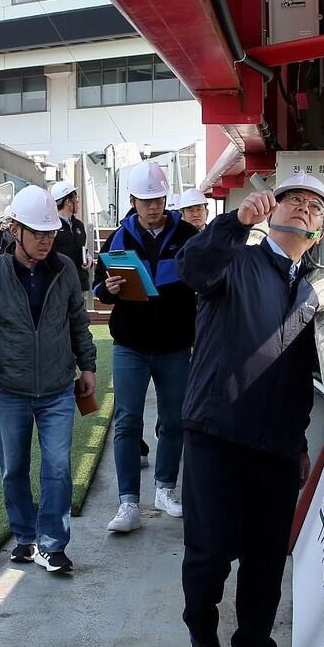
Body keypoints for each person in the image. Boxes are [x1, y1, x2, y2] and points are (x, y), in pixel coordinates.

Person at [174, 173, 324, 647]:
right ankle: (201, 630)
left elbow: (300, 372)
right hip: (216, 433)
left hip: (278, 447)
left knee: (266, 560)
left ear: (322, 230)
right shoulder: (236, 258)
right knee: (210, 552)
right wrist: (234, 222)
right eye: (296, 199)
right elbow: (191, 268)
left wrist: (301, 442)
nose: (306, 209)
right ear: (273, 209)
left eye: (317, 207)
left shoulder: (312, 293)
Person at [0, 185, 97, 574]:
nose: (45, 240)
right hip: (10, 390)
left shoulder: (66, 270)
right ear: (15, 230)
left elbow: (78, 322)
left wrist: (87, 366)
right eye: (37, 232)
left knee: (57, 467)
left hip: (57, 388)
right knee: (14, 468)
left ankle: (53, 544)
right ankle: (25, 536)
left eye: (51, 233)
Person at [93, 161, 198, 531]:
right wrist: (108, 290)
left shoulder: (187, 235)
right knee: (127, 421)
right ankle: (127, 503)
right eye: (146, 200)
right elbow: (98, 288)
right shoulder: (118, 239)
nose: (154, 207)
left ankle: (165, 488)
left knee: (173, 419)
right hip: (130, 346)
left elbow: (206, 279)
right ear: (133, 201)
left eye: (159, 199)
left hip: (175, 346)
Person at [50, 179, 91, 293]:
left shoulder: (78, 225)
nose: (78, 202)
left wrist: (88, 259)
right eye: (76, 198)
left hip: (79, 284)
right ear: (68, 201)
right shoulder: (52, 226)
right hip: (59, 284)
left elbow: (83, 248)